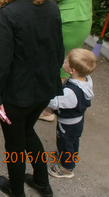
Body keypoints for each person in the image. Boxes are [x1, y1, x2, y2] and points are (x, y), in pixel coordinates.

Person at [0, 0, 64, 197]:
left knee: (15, 144)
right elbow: (58, 50)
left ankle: (17, 190)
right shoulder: (51, 7)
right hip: (44, 88)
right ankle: (42, 182)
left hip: (17, 93)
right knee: (28, 131)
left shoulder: (9, 12)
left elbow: (2, 59)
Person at [47, 48, 96, 179]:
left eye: (66, 61)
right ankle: (70, 157)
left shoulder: (71, 92)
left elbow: (55, 103)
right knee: (73, 141)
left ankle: (67, 168)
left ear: (72, 70)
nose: (63, 62)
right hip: (77, 121)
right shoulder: (85, 80)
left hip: (67, 123)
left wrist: (44, 96)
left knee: (65, 142)